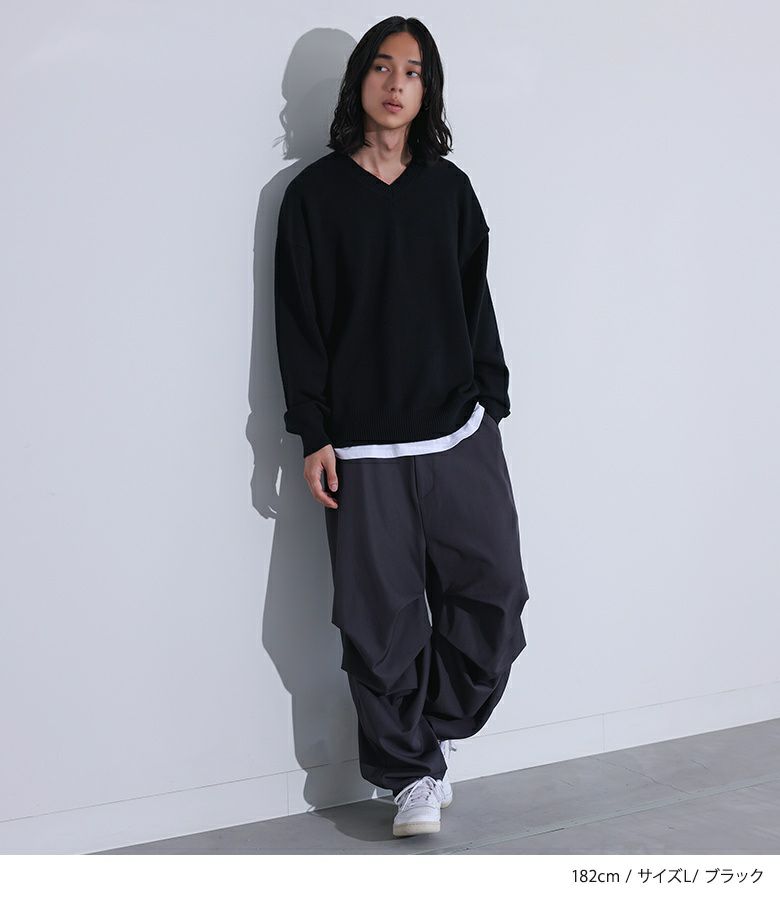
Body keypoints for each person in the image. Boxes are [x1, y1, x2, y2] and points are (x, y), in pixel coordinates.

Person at [274, 16, 530, 838]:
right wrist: (312, 433)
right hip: (362, 447)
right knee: (378, 623)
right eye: (382, 67)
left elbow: (475, 299)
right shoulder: (313, 197)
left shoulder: (448, 191)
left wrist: (490, 400)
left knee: (494, 598)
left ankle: (428, 732)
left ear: (428, 91)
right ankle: (410, 774)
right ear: (360, 81)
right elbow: (299, 324)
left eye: (413, 72)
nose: (396, 84)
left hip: (458, 433)